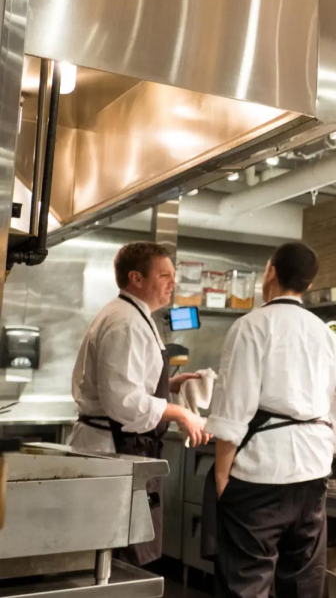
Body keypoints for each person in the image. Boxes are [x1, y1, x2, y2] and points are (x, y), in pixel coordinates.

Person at [204, 242, 336, 598]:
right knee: (303, 582)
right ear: (308, 285)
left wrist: (221, 474)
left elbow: (234, 406)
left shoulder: (250, 326)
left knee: (246, 581)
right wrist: (332, 450)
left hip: (258, 473)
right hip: (312, 473)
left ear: (271, 273)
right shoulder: (328, 336)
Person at [69, 241, 211, 565]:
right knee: (115, 553)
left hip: (122, 447)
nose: (172, 283)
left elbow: (129, 384)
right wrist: (180, 412)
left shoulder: (134, 315)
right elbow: (124, 402)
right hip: (112, 449)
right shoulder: (127, 322)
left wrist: (170, 385)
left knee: (121, 548)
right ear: (136, 278)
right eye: (164, 276)